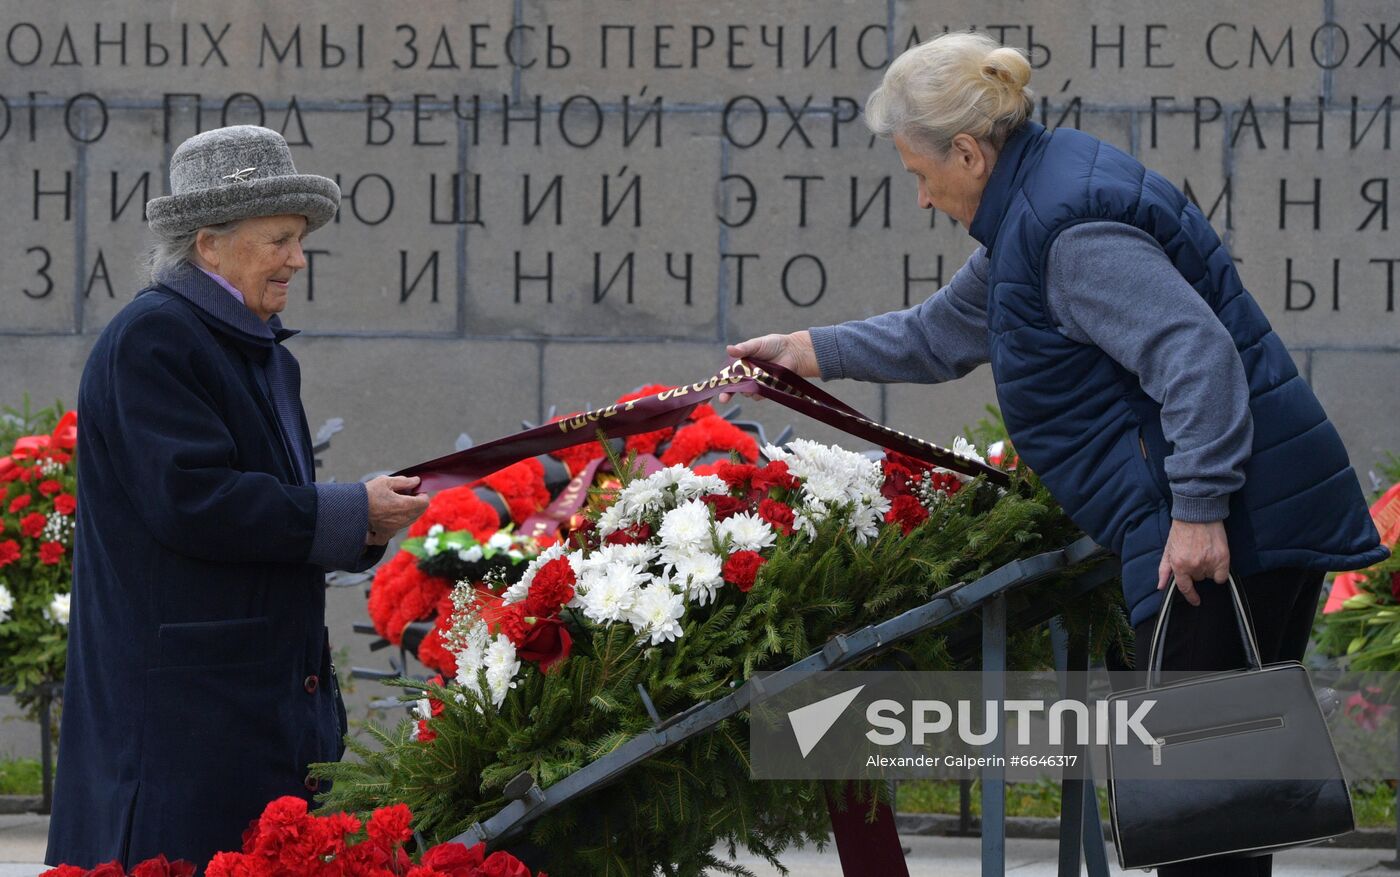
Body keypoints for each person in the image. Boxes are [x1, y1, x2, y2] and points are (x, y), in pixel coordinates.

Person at [727, 33, 1387, 876]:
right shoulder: (1036, 205)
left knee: (1207, 818)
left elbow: (1197, 356)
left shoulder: (1065, 228)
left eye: (919, 172)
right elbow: (937, 334)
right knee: (1211, 811)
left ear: (967, 152)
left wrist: (1198, 510)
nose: (922, 197)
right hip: (1222, 518)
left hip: (1229, 533)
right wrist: (802, 350)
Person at [46, 126, 430, 868]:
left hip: (243, 723)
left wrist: (361, 519)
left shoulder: (258, 353)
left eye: (298, 237)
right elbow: (197, 501)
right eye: (279, 238)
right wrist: (349, 510)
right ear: (209, 245)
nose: (297, 257)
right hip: (180, 738)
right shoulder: (153, 339)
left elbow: (262, 514)